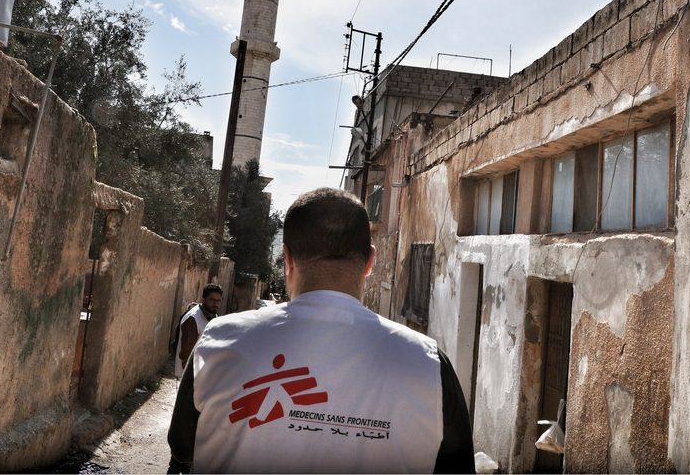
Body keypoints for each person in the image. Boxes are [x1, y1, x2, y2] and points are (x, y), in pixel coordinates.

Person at [167, 187, 474, 473]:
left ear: (286, 259)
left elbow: (183, 450)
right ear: (369, 262)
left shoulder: (218, 340)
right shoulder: (430, 365)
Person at [174, 283, 223, 379]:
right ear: (203, 300)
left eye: (218, 301)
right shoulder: (193, 319)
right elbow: (186, 354)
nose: (215, 304)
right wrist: (191, 378)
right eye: (212, 300)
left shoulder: (212, 315)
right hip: (191, 377)